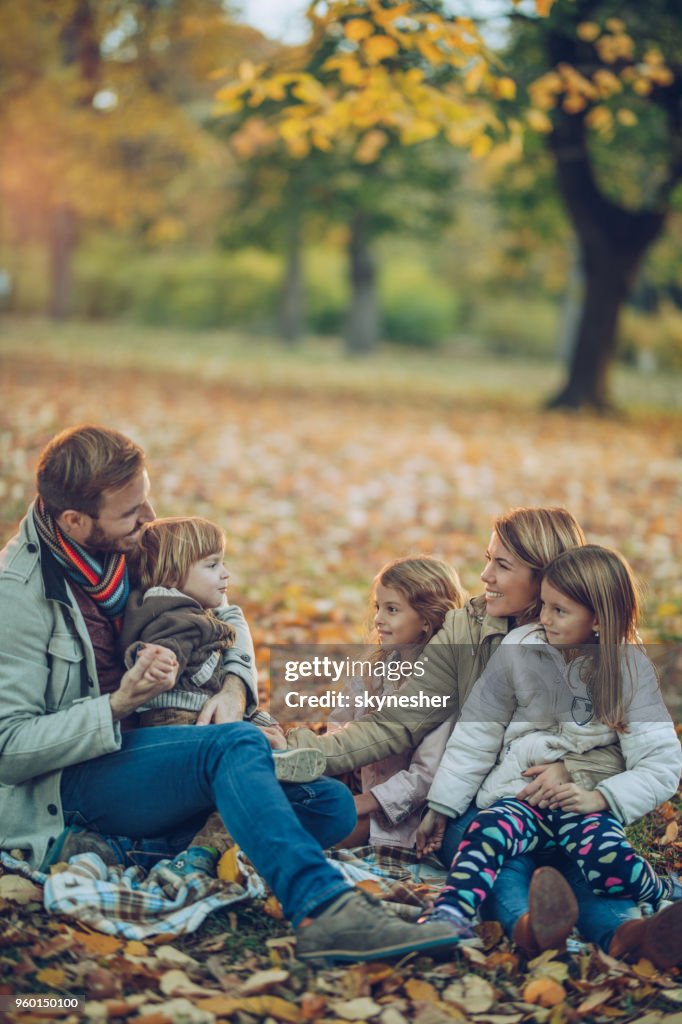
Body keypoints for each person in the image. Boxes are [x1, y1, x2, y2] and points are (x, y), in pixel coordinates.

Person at [0, 424, 461, 964]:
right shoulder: (20, 596)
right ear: (76, 522)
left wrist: (237, 684)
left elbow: (223, 611)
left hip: (160, 758)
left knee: (329, 804)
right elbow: (10, 749)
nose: (148, 521)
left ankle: (131, 849)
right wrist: (119, 703)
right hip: (76, 778)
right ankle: (324, 909)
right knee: (237, 748)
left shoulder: (123, 541)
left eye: (145, 502)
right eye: (132, 513)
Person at [279, 508, 682, 965]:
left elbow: (639, 750)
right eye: (488, 559)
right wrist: (299, 752)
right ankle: (531, 928)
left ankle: (632, 935)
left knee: (582, 856)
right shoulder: (466, 630)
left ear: (548, 573)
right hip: (488, 801)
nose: (485, 576)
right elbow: (399, 722)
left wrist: (576, 771)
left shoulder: (610, 652)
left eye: (502, 565)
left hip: (576, 805)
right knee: (490, 849)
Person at [416, 546, 682, 942]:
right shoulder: (520, 649)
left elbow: (661, 762)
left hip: (582, 805)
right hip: (520, 797)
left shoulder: (627, 669)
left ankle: (653, 900)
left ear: (597, 618)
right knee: (487, 834)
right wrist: (443, 804)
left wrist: (603, 797)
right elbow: (477, 731)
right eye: (544, 605)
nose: (544, 618)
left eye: (560, 610)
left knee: (606, 860)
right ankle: (451, 913)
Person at [120, 515, 324, 786]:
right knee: (241, 743)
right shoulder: (175, 616)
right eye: (213, 565)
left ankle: (270, 752)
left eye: (223, 563)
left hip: (197, 717)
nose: (225, 573)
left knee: (261, 727)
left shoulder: (183, 610)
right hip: (181, 723)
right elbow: (166, 647)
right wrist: (158, 662)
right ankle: (261, 759)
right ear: (171, 575)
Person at [326, 555, 465, 848]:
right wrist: (334, 769)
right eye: (378, 607)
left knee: (326, 835)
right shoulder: (374, 669)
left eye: (392, 610)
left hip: (395, 815)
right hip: (351, 792)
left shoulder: (441, 691)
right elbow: (339, 723)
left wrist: (365, 802)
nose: (378, 619)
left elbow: (426, 776)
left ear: (427, 621)